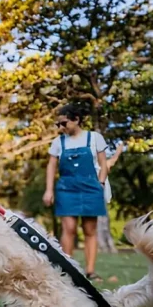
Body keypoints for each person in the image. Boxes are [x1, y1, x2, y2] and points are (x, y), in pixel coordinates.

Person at [43, 104, 109, 281]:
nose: (60, 128)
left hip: (91, 187)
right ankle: (69, 270)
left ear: (76, 120)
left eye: (63, 123)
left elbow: (104, 163)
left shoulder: (94, 138)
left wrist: (101, 182)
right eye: (58, 125)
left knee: (90, 229)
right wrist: (49, 190)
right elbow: (51, 166)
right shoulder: (58, 142)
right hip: (66, 187)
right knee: (69, 228)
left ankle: (90, 271)